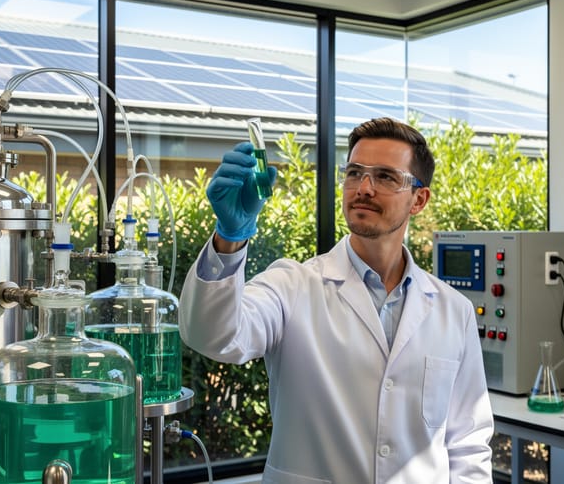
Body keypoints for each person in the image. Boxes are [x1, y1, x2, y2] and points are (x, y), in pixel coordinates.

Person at [179, 117, 494, 483]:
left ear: (419, 199)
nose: (364, 188)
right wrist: (229, 238)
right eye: (355, 173)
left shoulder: (453, 310)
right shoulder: (293, 285)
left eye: (386, 177)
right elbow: (214, 335)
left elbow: (467, 441)